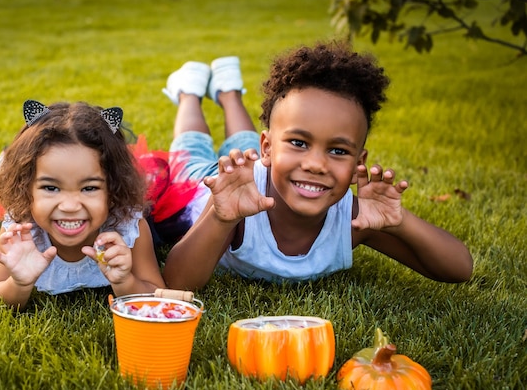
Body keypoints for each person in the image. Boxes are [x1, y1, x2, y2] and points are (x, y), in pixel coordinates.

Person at [159, 41, 473, 291]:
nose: (315, 164)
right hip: (211, 186)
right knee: (192, 149)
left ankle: (229, 93)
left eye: (337, 150)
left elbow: (459, 270)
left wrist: (399, 221)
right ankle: (189, 92)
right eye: (299, 142)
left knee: (243, 144)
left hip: (256, 168)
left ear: (356, 165)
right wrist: (219, 216)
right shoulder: (237, 204)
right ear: (266, 148)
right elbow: (177, 281)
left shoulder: (356, 221)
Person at [0, 100, 165, 309]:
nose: (69, 206)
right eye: (51, 188)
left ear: (113, 190)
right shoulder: (20, 231)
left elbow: (157, 295)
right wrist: (19, 283)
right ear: (26, 189)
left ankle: (188, 95)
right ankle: (4, 162)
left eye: (89, 188)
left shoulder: (129, 227)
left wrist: (125, 282)